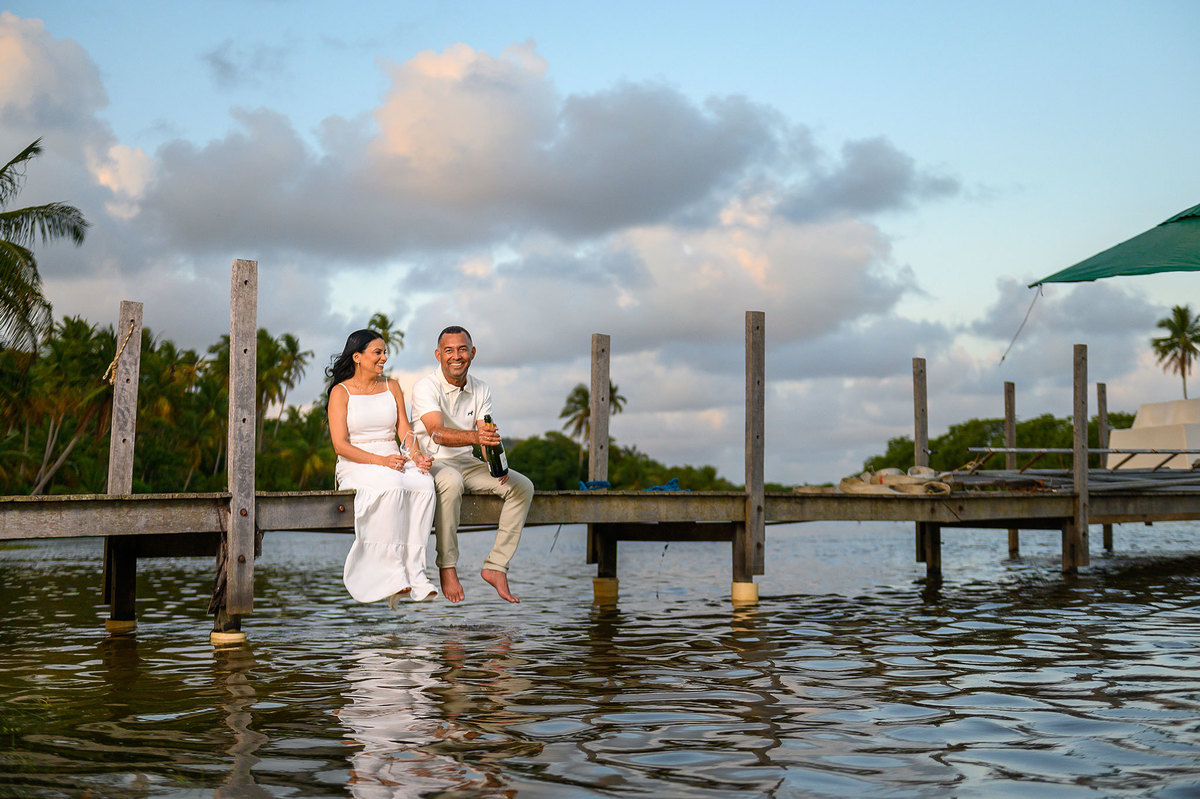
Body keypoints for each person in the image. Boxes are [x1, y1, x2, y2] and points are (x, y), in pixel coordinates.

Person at [411, 325, 534, 603]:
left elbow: (485, 433)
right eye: (449, 350)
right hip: (431, 462)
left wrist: (496, 465)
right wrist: (478, 437)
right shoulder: (425, 386)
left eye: (462, 349)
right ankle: (447, 566)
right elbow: (436, 433)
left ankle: (496, 566)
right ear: (438, 355)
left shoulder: (481, 388)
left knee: (522, 486)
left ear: (473, 352)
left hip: (466, 462)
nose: (456, 356)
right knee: (451, 480)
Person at [326, 329, 438, 607]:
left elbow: (404, 430)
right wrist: (381, 461)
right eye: (377, 352)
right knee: (392, 484)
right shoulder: (340, 392)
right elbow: (340, 446)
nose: (384, 358)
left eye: (385, 352)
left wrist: (417, 457)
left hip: (393, 459)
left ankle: (416, 573)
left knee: (424, 483)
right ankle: (391, 575)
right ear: (357, 357)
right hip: (357, 462)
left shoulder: (392, 386)